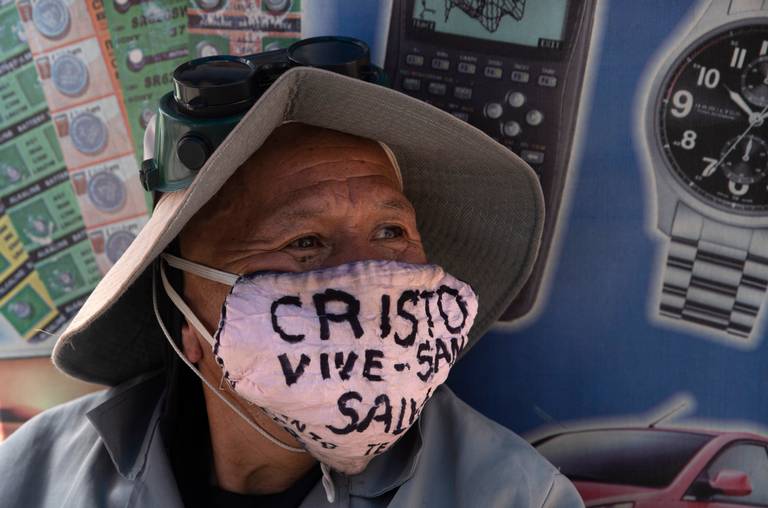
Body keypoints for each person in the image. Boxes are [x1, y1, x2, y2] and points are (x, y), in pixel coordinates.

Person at [0, 67, 583, 507]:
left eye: (391, 231)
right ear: (186, 317)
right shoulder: (37, 477)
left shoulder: (517, 497)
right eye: (304, 242)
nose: (369, 286)